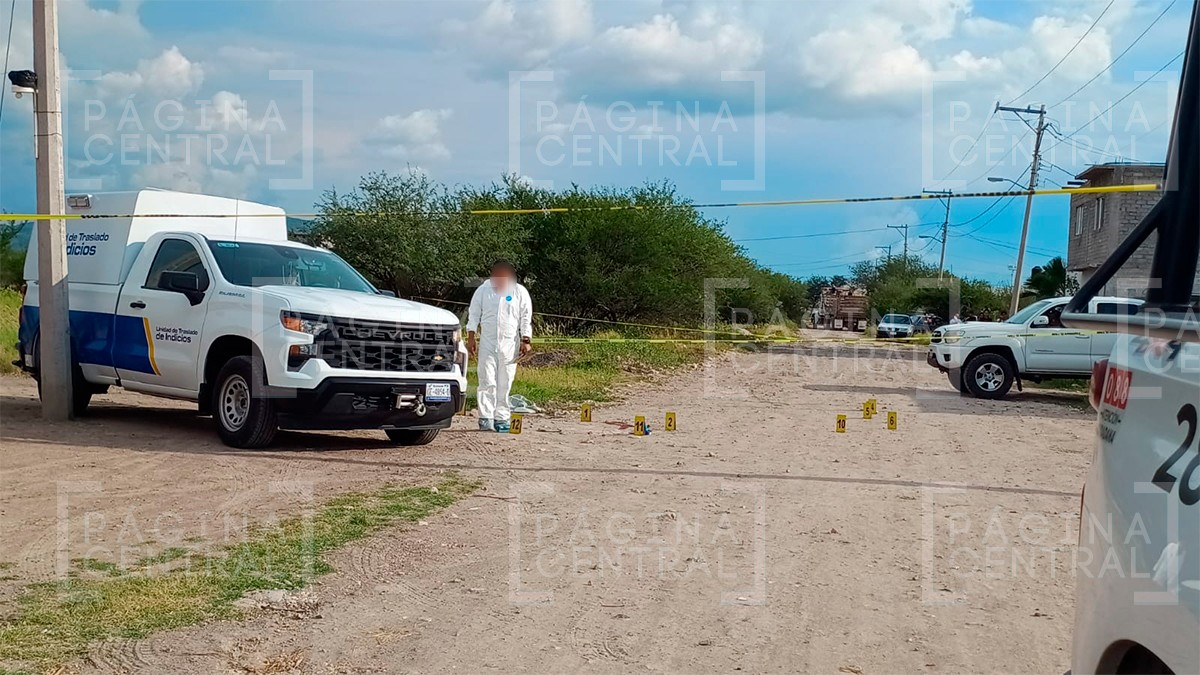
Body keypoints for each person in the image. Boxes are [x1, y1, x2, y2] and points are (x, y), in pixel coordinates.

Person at [466, 261, 533, 432]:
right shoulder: (483, 290)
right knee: (487, 380)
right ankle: (485, 418)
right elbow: (473, 314)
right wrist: (471, 337)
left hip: (510, 343)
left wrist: (526, 340)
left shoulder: (519, 292)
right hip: (488, 342)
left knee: (505, 382)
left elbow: (526, 316)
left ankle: (502, 418)